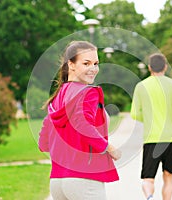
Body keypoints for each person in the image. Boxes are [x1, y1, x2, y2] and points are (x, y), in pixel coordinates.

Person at [38, 41, 121, 200]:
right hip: (84, 179)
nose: (93, 68)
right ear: (71, 64)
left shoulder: (57, 97)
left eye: (96, 63)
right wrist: (109, 148)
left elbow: (44, 141)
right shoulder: (88, 92)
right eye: (86, 63)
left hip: (58, 181)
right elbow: (81, 124)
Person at [130, 53, 172, 200]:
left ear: (149, 68)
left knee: (148, 178)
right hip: (171, 138)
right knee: (168, 176)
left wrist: (149, 118)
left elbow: (135, 113)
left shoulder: (141, 86)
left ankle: (149, 197)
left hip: (151, 138)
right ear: (165, 67)